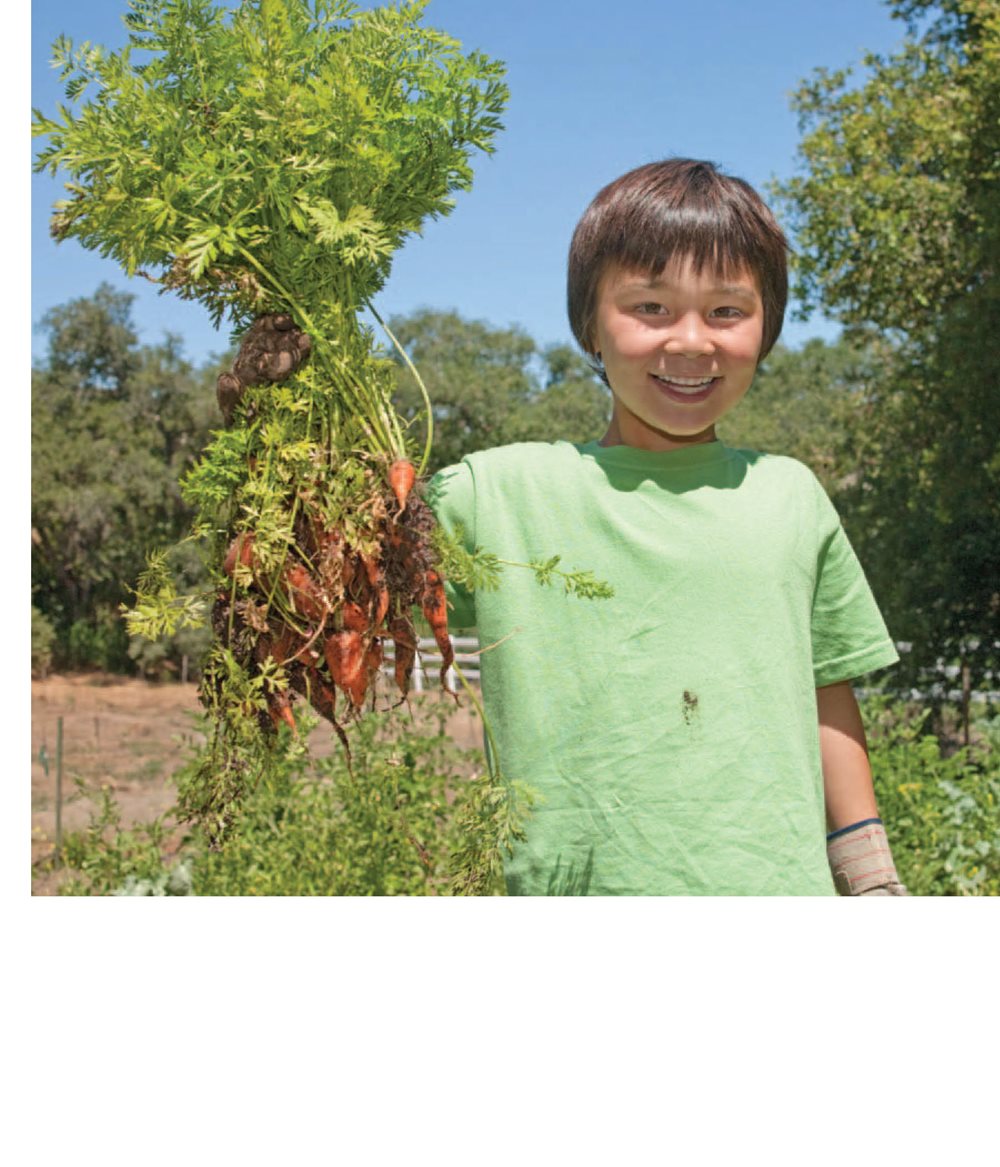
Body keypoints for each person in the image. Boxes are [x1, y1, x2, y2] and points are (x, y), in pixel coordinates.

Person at [222, 157, 909, 896]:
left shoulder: (790, 496)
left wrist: (873, 880)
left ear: (766, 325)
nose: (689, 341)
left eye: (726, 311)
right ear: (590, 325)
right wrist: (275, 415)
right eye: (650, 307)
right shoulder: (499, 492)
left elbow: (825, 692)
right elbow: (331, 573)